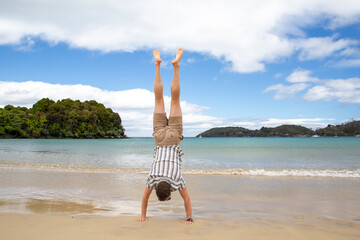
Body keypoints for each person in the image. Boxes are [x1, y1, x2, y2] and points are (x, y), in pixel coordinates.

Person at [137, 48, 193, 225]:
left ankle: (176, 67)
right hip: (160, 138)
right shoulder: (152, 179)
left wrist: (189, 218)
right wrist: (143, 215)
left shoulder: (176, 180)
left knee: (175, 100)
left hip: (174, 137)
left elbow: (187, 199)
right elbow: (144, 199)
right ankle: (157, 65)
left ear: (169, 189)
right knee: (158, 99)